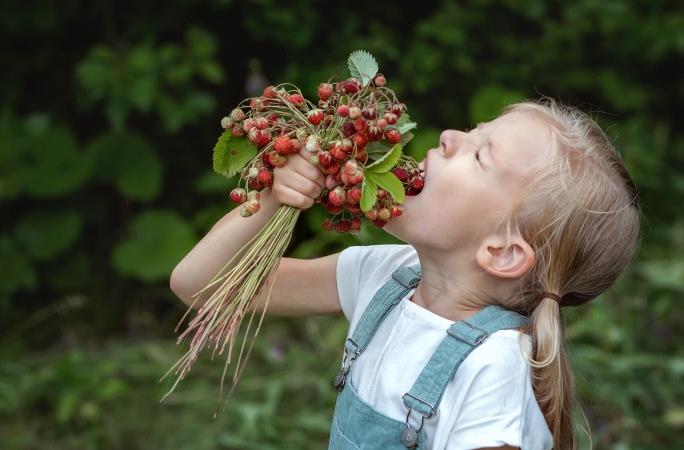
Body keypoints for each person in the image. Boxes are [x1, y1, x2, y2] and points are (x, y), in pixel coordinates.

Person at [170, 98, 641, 450]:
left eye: (480, 156)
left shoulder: (495, 372)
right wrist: (273, 198)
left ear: (500, 252)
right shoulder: (388, 275)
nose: (450, 136)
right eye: (472, 131)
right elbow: (204, 287)